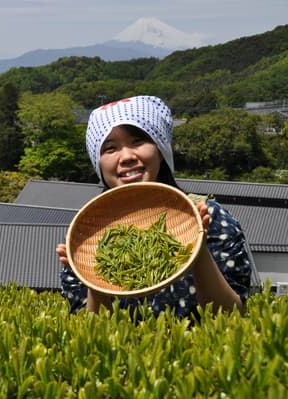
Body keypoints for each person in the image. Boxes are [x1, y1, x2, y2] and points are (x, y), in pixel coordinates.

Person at [57, 95, 255, 318]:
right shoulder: (86, 234)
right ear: (99, 163)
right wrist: (92, 277)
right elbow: (91, 334)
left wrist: (199, 250)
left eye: (138, 142)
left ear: (160, 149)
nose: (127, 156)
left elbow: (231, 316)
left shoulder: (211, 218)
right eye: (110, 148)